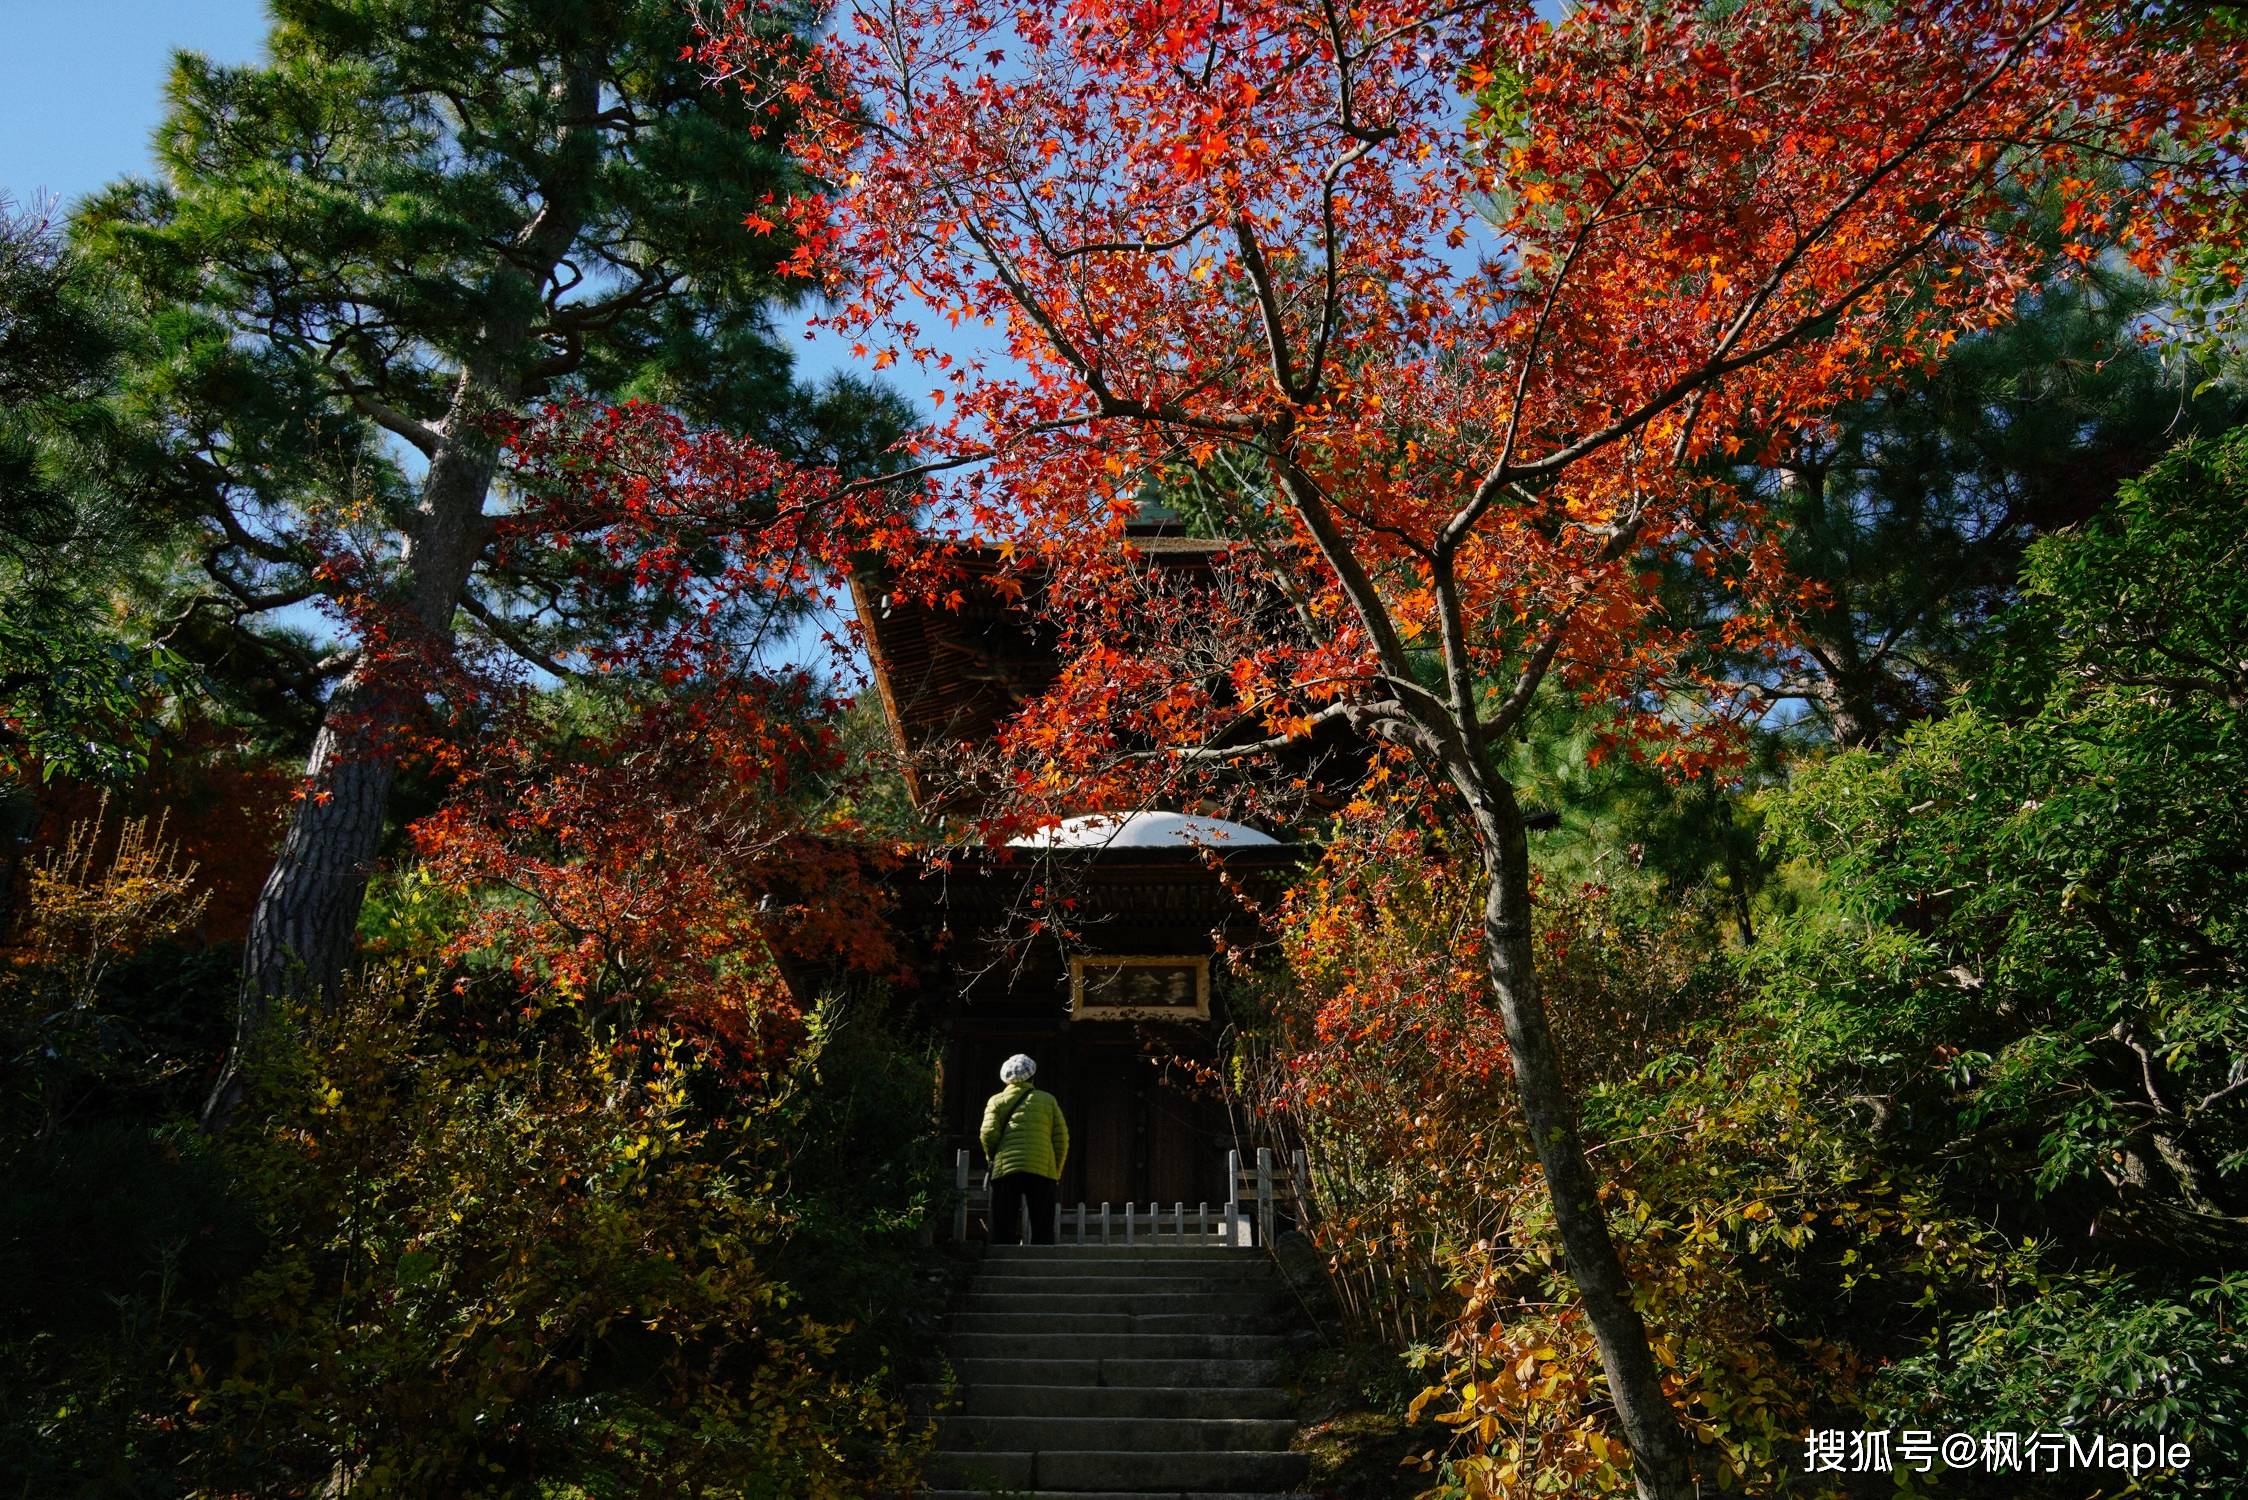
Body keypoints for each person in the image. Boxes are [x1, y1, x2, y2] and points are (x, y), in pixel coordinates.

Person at [980, 1054, 1069, 1245]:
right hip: (1041, 1170)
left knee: (1004, 1224)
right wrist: (1056, 1170)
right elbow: (1062, 1139)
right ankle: (1043, 1265)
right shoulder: (1048, 1100)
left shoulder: (996, 1101)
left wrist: (993, 1156)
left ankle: (1002, 1266)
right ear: (1032, 1077)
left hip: (1006, 1169)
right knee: (1043, 1225)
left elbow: (987, 1133)